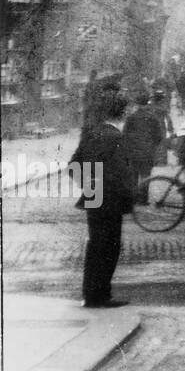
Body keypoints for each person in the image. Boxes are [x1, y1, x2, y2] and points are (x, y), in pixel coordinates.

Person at [69, 82, 136, 307]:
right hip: (111, 202)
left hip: (94, 198)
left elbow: (73, 165)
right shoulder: (116, 137)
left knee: (96, 246)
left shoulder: (91, 133)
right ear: (121, 114)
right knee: (110, 248)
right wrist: (129, 197)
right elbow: (122, 175)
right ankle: (101, 295)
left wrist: (89, 187)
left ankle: (91, 295)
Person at [122, 91, 167, 199]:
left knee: (134, 175)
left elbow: (125, 135)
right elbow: (158, 136)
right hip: (147, 151)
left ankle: (134, 197)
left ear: (137, 104)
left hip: (134, 151)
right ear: (147, 102)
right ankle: (143, 197)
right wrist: (152, 146)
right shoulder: (153, 118)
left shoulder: (131, 118)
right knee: (146, 175)